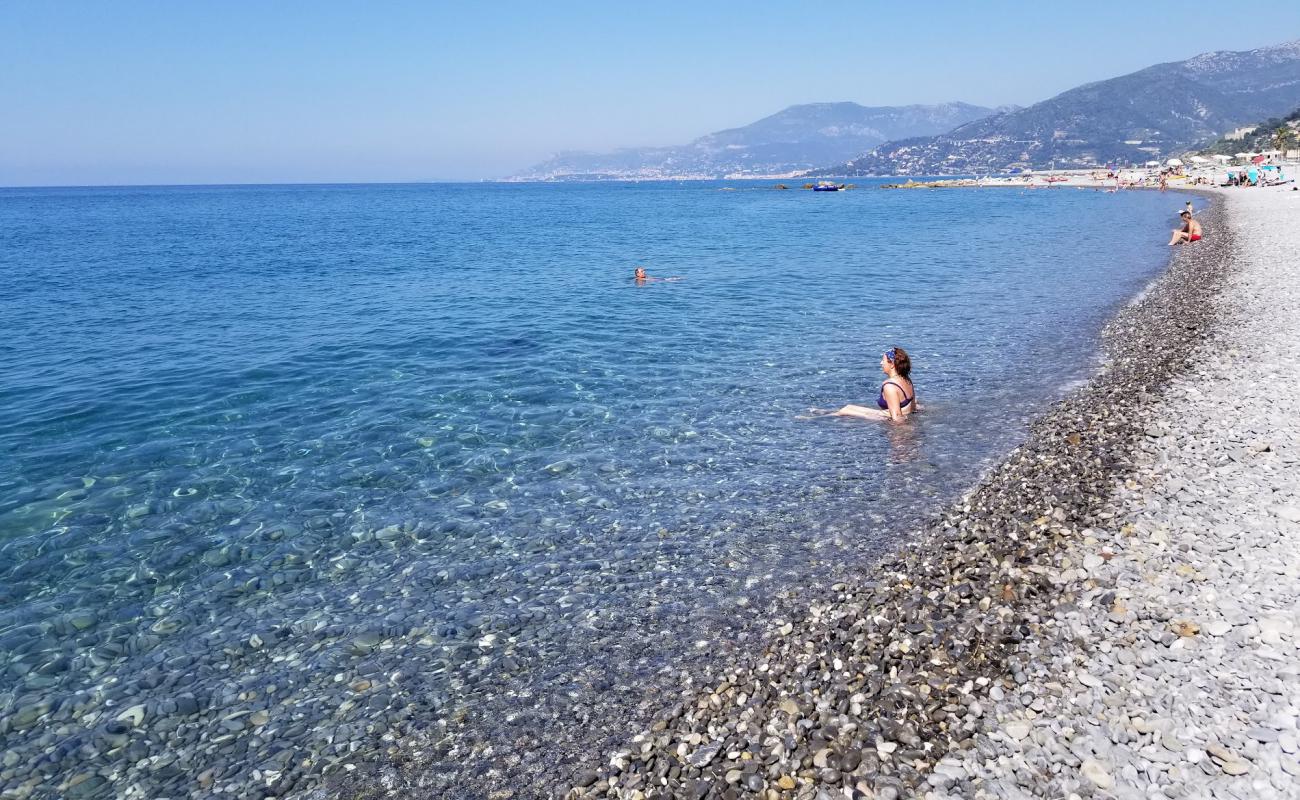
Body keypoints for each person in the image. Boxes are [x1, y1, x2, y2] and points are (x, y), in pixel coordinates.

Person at [822, 347, 918, 422]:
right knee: (848, 407)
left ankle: (814, 418)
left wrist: (903, 436)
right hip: (888, 414)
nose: (881, 363)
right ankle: (825, 412)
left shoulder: (890, 386)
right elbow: (912, 407)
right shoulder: (906, 378)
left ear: (892, 364)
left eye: (883, 361)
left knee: (845, 411)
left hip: (885, 417)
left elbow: (897, 418)